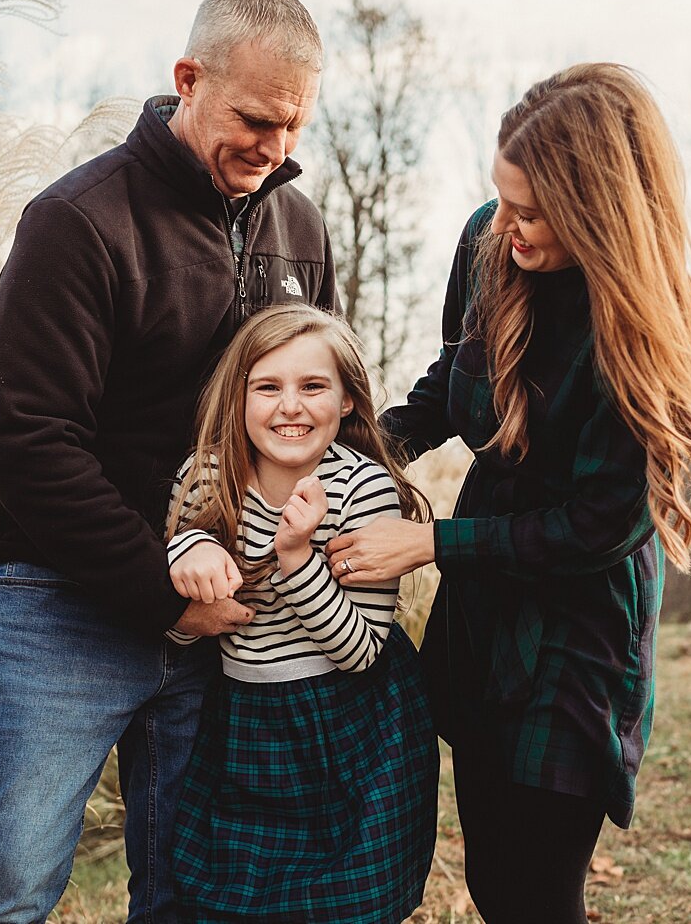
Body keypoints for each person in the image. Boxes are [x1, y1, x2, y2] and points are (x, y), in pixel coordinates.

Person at [324, 63, 691, 923]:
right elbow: (459, 372)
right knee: (492, 880)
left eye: (531, 211)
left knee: (537, 889)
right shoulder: (489, 239)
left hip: (580, 627)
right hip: (488, 613)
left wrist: (433, 543)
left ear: (599, 209)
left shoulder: (648, 329)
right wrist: (366, 446)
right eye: (502, 199)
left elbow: (600, 526)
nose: (507, 226)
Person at [0, 0, 336, 924]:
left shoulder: (300, 231)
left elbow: (313, 415)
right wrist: (164, 590)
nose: (273, 149)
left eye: (292, 127)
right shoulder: (78, 220)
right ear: (188, 79)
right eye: (253, 119)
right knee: (14, 887)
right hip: (59, 606)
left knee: (190, 897)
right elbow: (28, 443)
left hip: (222, 617)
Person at [161, 304, 438, 924]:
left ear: (345, 401)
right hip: (246, 722)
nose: (291, 406)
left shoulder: (364, 489)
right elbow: (178, 574)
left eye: (313, 386)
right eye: (268, 387)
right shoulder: (208, 477)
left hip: (353, 723)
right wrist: (193, 548)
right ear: (238, 400)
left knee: (346, 902)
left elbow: (361, 649)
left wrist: (295, 557)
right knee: (231, 895)